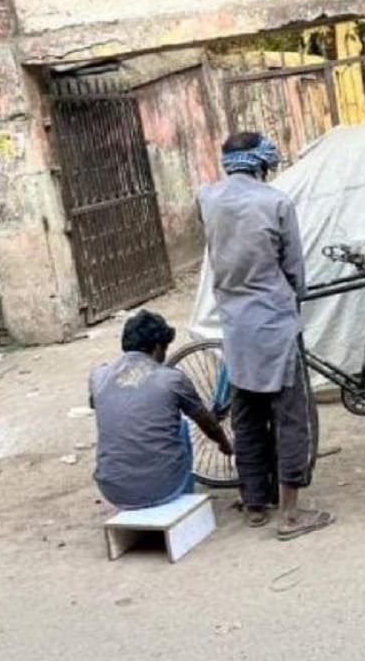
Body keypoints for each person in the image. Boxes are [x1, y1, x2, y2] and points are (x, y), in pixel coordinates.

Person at [196, 130, 334, 540]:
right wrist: (297, 295)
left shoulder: (206, 197)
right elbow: (293, 269)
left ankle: (255, 502)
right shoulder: (276, 202)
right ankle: (291, 513)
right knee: (290, 417)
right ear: (262, 162)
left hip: (234, 323)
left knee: (247, 415)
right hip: (273, 320)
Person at [90, 310, 233, 510]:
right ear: (158, 347)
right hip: (165, 489)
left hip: (113, 490)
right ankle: (182, 498)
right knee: (182, 425)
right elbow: (207, 423)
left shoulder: (98, 376)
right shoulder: (171, 378)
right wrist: (225, 444)